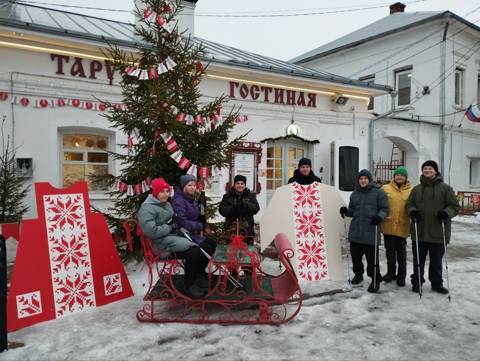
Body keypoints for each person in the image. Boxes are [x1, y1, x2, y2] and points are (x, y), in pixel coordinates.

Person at [137, 177, 208, 298]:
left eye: (167, 191)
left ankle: (197, 277)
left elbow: (175, 222)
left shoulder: (167, 204)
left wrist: (179, 228)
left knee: (200, 246)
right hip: (159, 244)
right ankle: (188, 285)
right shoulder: (147, 208)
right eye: (162, 191)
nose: (165, 194)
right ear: (155, 192)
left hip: (171, 237)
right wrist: (169, 226)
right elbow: (152, 232)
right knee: (194, 251)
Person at [406, 160, 459, 294]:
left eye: (430, 168)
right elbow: (409, 204)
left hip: (438, 232)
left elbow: (454, 206)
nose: (427, 170)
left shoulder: (446, 188)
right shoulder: (416, 189)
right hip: (420, 231)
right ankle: (417, 282)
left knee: (436, 262)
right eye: (425, 168)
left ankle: (436, 283)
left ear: (435, 171)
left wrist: (446, 213)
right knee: (418, 260)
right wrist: (412, 211)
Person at [339, 169, 388, 293]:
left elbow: (385, 209)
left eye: (365, 178)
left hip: (371, 231)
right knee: (356, 258)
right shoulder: (354, 194)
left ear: (369, 179)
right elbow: (352, 211)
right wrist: (346, 211)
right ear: (358, 180)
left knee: (372, 260)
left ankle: (375, 280)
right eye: (361, 178)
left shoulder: (379, 192)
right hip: (356, 232)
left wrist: (380, 217)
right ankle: (359, 275)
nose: (363, 180)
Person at [381, 166, 412, 287]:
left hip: (402, 227)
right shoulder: (385, 188)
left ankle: (401, 276)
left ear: (405, 178)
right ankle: (390, 274)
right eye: (397, 175)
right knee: (390, 253)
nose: (399, 177)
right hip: (388, 226)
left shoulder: (411, 190)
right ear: (394, 176)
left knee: (401, 254)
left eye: (402, 175)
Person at [172, 174, 216, 253]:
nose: (193, 188)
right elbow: (182, 222)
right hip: (184, 235)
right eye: (189, 185)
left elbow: (195, 215)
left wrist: (202, 219)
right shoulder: (179, 201)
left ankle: (206, 264)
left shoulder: (191, 198)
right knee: (207, 248)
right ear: (183, 186)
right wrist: (198, 225)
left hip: (193, 234)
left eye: (194, 185)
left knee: (213, 243)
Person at [219, 174, 260, 244]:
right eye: (238, 183)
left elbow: (256, 208)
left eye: (242, 183)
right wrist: (233, 208)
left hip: (247, 230)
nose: (240, 185)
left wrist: (245, 204)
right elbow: (222, 210)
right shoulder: (227, 196)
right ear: (234, 185)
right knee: (231, 251)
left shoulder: (250, 196)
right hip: (231, 229)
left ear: (245, 185)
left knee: (247, 252)